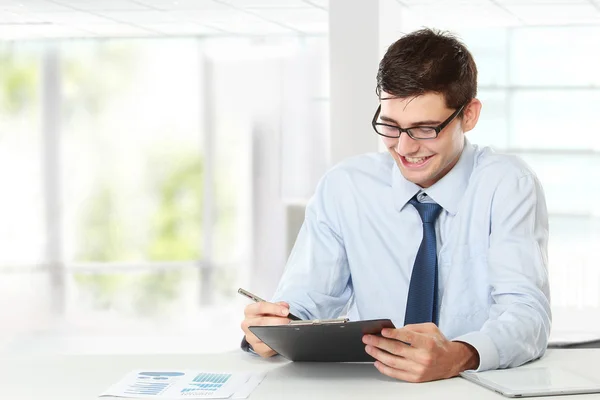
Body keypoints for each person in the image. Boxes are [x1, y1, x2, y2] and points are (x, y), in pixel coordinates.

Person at [240, 28, 551, 383]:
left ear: (469, 115)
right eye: (390, 126)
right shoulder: (346, 187)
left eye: (424, 129)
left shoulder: (507, 184)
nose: (403, 148)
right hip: (372, 387)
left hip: (471, 388)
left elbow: (527, 314)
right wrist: (273, 331)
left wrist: (459, 355)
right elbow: (307, 304)